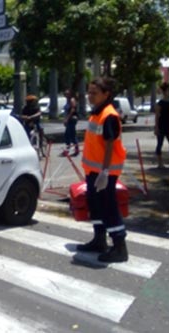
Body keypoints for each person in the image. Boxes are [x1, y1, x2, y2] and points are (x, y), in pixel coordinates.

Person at [77, 77, 128, 263]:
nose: (90, 96)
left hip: (104, 173)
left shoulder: (109, 116)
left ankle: (120, 247)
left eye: (94, 93)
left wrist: (105, 173)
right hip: (93, 171)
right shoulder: (97, 113)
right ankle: (99, 240)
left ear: (106, 95)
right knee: (95, 205)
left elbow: (109, 146)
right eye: (89, 92)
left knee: (109, 207)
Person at [154, 82, 169, 168]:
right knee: (160, 144)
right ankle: (160, 163)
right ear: (165, 91)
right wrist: (156, 127)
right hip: (162, 126)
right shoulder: (160, 103)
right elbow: (157, 115)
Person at [62, 89, 80, 156]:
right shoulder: (68, 101)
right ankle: (68, 149)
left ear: (70, 94)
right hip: (69, 119)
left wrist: (67, 119)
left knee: (72, 134)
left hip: (72, 119)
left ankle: (76, 149)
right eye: (65, 94)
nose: (66, 95)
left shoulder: (72, 100)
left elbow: (72, 110)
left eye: (67, 94)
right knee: (67, 135)